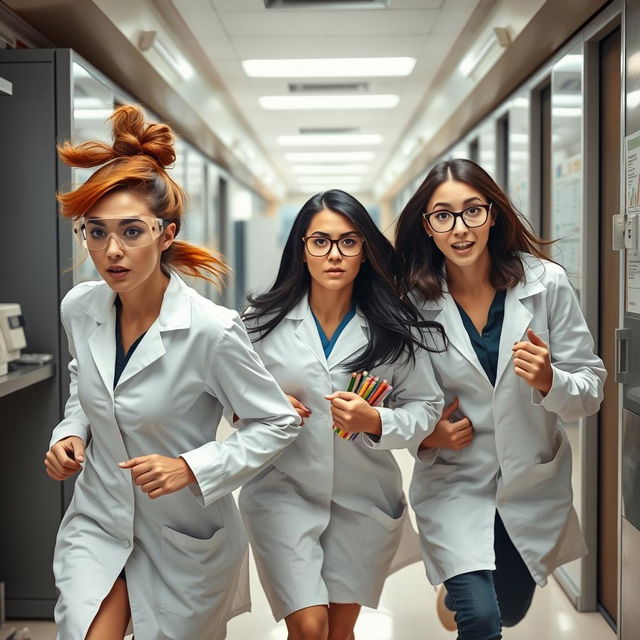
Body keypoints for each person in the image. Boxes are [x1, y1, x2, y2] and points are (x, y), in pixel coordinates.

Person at [43, 104, 301, 640]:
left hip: (183, 533)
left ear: (166, 234)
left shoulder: (211, 330)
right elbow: (85, 385)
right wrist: (70, 433)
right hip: (99, 518)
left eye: (132, 231)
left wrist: (192, 467)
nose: (111, 251)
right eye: (95, 233)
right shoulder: (79, 307)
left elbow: (277, 421)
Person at [394, 158, 606, 640]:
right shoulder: (411, 303)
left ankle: (459, 594)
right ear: (427, 227)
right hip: (454, 480)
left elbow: (590, 389)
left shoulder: (545, 284)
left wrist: (551, 381)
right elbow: (404, 398)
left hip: (527, 482)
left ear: (493, 214)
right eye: (442, 215)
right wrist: (429, 438)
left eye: (472, 211)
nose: (460, 228)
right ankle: (466, 593)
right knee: (484, 622)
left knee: (509, 608)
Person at [239, 189, 451, 640]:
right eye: (321, 241)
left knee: (338, 631)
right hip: (282, 493)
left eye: (349, 242)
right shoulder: (260, 322)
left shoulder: (394, 328)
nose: (334, 254)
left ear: (365, 251)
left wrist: (376, 422)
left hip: (363, 500)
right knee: (310, 627)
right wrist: (262, 406)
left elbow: (427, 405)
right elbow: (227, 397)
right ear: (302, 249)